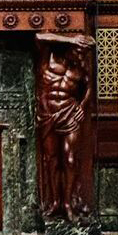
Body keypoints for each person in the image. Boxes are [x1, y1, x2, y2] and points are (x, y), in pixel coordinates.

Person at [36, 33, 94, 222]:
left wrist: (82, 106)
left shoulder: (81, 67)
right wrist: (70, 39)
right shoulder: (50, 56)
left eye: (83, 54)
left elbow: (89, 87)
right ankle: (54, 203)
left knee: (69, 159)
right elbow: (38, 36)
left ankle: (68, 203)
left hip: (69, 113)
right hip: (48, 114)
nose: (80, 57)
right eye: (78, 52)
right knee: (51, 160)